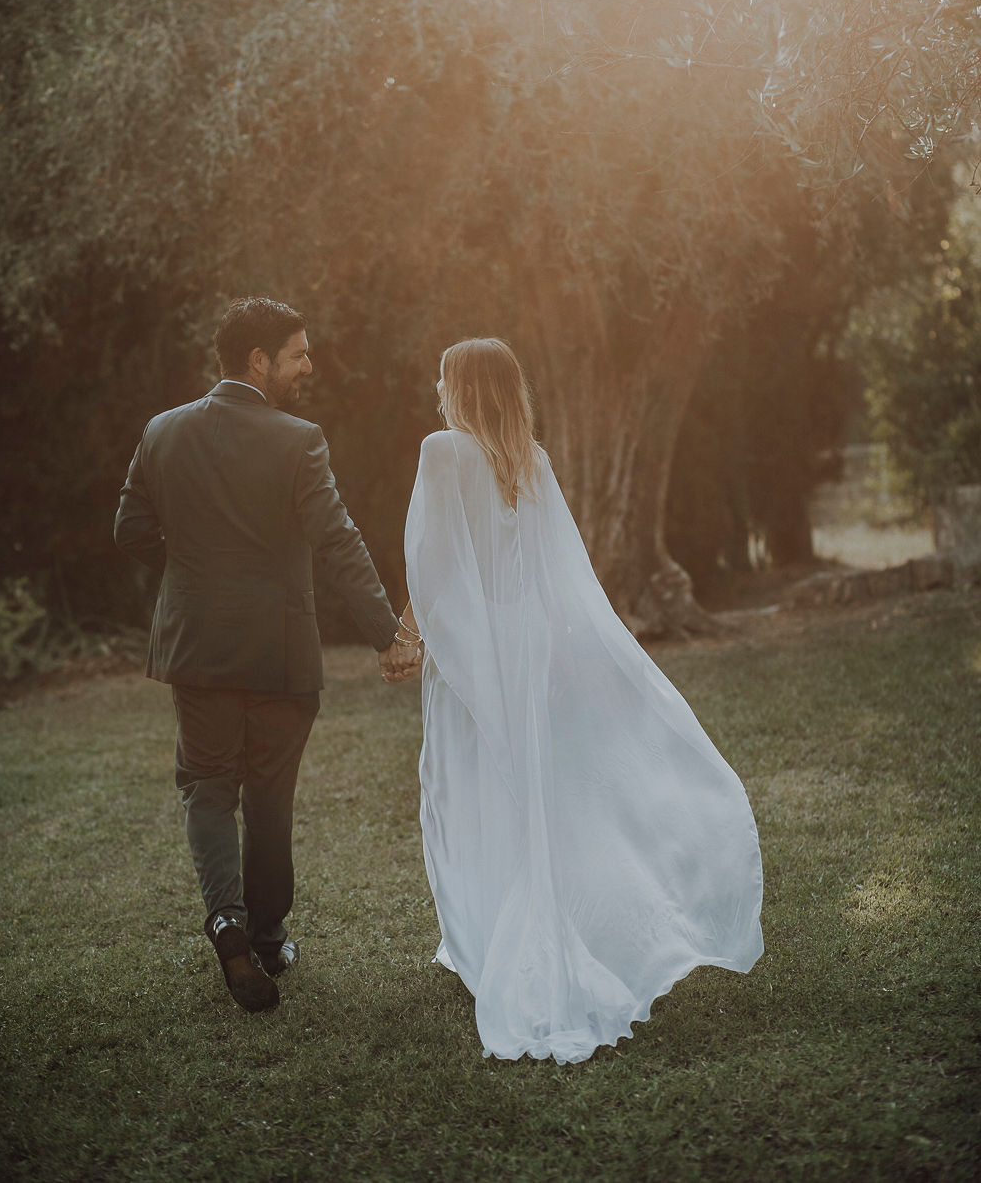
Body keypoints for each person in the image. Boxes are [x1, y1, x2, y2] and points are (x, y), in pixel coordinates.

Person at [399, 337, 763, 1064]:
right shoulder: (530, 460)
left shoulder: (442, 451)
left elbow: (433, 566)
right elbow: (557, 575)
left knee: (465, 787)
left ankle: (486, 940)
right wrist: (560, 655)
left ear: (460, 387)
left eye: (443, 378)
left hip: (473, 650)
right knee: (529, 787)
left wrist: (408, 635)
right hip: (530, 647)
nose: (437, 390)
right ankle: (489, 934)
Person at [115, 296, 419, 1013]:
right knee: (270, 797)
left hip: (196, 646)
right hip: (279, 651)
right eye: (298, 355)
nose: (309, 366)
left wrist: (194, 567)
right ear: (258, 360)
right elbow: (337, 541)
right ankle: (270, 939)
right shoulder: (298, 440)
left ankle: (227, 924)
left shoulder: (162, 431)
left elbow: (130, 529)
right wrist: (388, 633)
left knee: (208, 787)